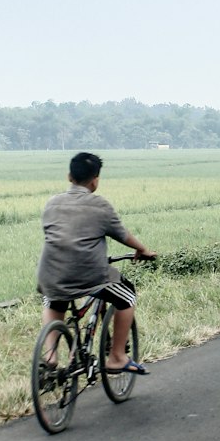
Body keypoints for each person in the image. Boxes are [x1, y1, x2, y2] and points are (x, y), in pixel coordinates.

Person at [37, 152, 156, 374]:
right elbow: (122, 235)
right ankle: (117, 357)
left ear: (69, 176)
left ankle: (50, 356)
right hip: (90, 274)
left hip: (50, 273)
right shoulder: (100, 205)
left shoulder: (52, 203)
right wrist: (142, 250)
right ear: (95, 180)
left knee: (54, 300)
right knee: (128, 296)